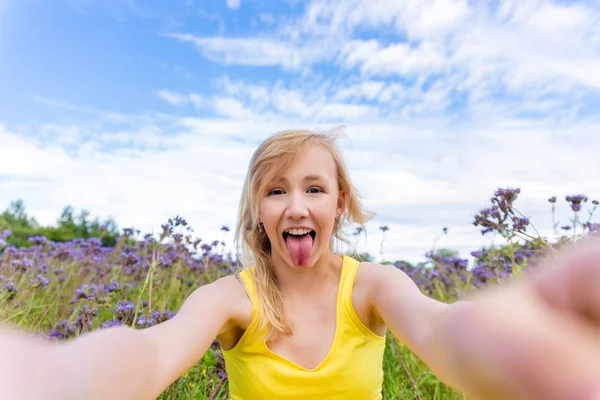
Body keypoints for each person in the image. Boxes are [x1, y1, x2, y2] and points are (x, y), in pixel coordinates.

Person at [1, 128, 600, 400]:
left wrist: (501, 336)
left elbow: (441, 328)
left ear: (340, 203)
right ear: (256, 209)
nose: (295, 205)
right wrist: (71, 379)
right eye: (275, 190)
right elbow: (156, 350)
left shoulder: (375, 288)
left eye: (314, 188)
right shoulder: (228, 300)